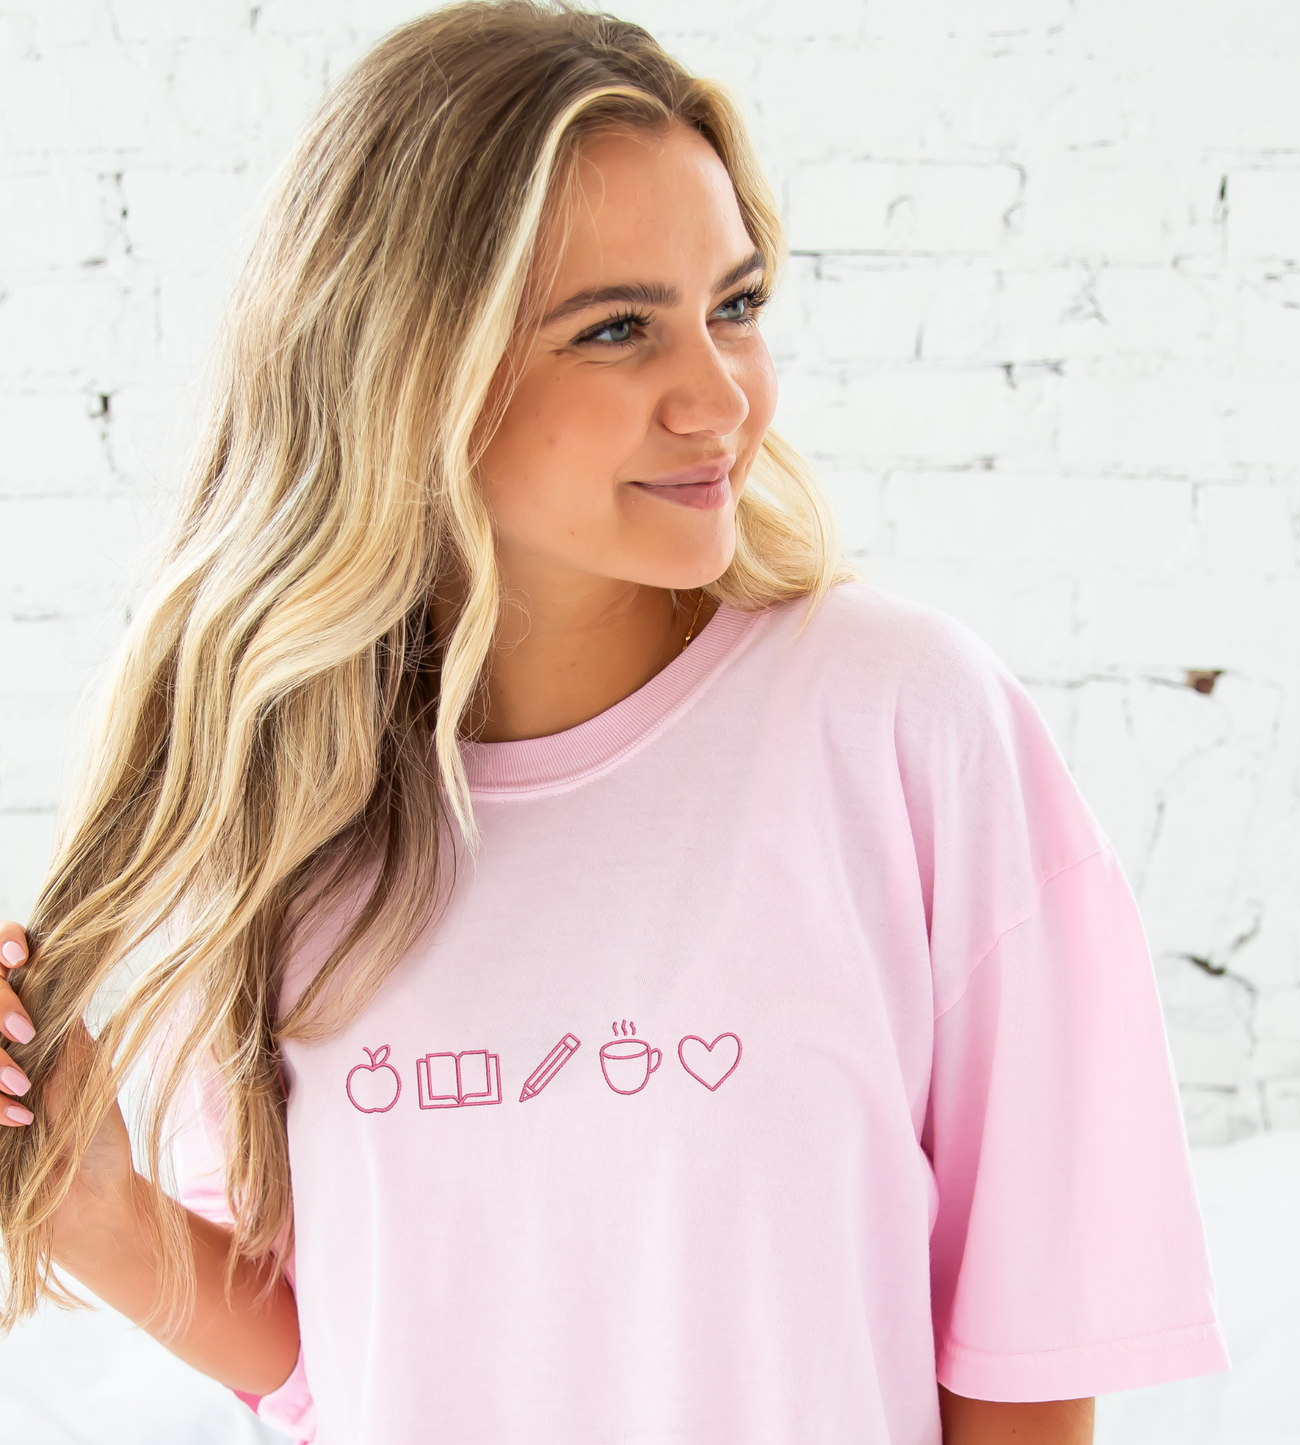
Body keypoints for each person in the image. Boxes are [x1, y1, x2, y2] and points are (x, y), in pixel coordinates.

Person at [0, 4, 1230, 1441]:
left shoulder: (904, 729)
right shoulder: (289, 817)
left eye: (737, 305)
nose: (719, 397)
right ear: (410, 364)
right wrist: (86, 1206)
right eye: (618, 329)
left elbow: (1025, 1353)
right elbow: (328, 1344)